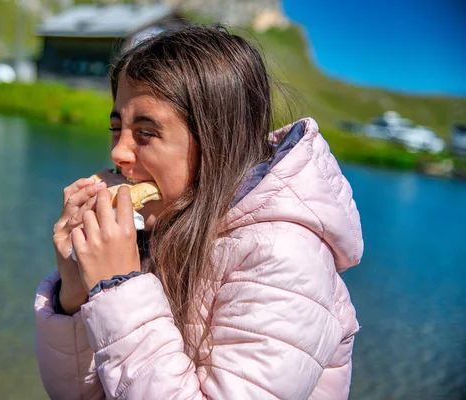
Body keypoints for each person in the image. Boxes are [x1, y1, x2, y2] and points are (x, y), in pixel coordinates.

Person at [35, 26, 363, 400]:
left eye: (145, 133)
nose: (118, 153)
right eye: (117, 128)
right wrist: (76, 288)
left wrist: (118, 289)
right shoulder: (161, 229)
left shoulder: (285, 259)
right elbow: (78, 394)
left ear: (216, 141)